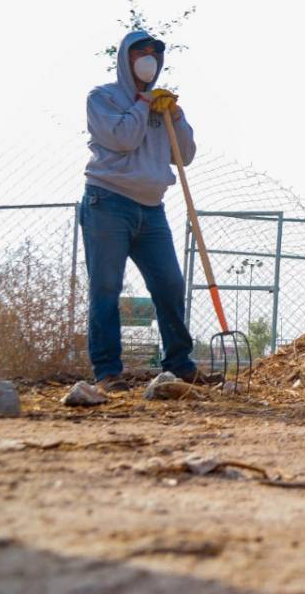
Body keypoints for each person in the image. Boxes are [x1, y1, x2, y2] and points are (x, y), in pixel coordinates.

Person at [81, 30, 207, 392]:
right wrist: (141, 104)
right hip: (108, 202)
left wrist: (177, 116)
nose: (149, 58)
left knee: (169, 284)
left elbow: (183, 156)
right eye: (141, 52)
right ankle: (107, 372)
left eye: (154, 52)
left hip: (152, 209)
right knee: (105, 287)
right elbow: (122, 139)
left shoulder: (160, 105)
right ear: (126, 57)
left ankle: (180, 364)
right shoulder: (103, 97)